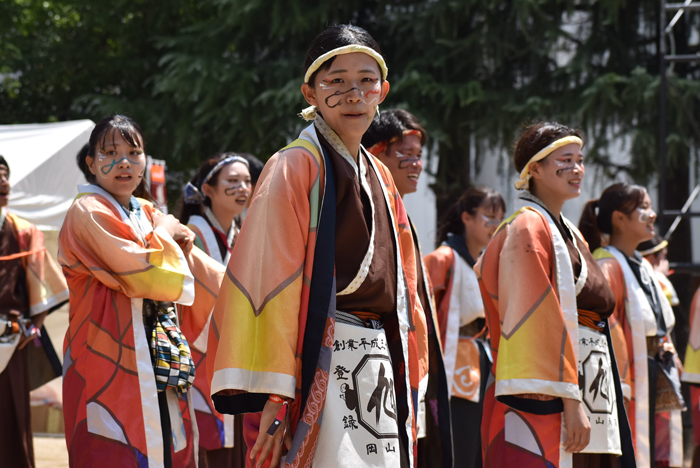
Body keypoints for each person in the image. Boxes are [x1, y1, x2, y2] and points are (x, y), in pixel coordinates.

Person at [205, 25, 429, 468]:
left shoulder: (382, 180)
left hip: (378, 357)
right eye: (336, 81)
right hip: (319, 359)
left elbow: (406, 289)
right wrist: (276, 390)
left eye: (366, 80)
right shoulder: (293, 166)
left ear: (382, 91)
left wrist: (413, 366)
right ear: (309, 92)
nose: (354, 93)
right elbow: (270, 283)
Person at [59, 115, 225, 467]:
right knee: (113, 447)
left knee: (167, 446)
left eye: (134, 152)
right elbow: (139, 272)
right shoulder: (86, 211)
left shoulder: (146, 210)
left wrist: (243, 291)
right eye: (109, 152)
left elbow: (194, 265)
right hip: (106, 356)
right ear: (91, 163)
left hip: (159, 354)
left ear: (145, 160)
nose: (123, 162)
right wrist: (165, 231)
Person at [475, 122, 634, 468]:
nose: (577, 169)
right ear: (535, 168)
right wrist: (569, 398)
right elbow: (534, 322)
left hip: (588, 379)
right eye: (566, 160)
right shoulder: (527, 226)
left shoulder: (570, 232)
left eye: (580, 160)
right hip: (551, 391)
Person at [363, 109, 453, 468]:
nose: (416, 164)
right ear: (376, 152)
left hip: (409, 355)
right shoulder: (364, 204)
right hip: (374, 353)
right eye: (405, 154)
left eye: (419, 156)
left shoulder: (398, 210)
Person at [580, 183, 684, 468]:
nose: (652, 215)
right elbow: (604, 329)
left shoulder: (641, 263)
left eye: (650, 207)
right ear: (619, 218)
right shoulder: (607, 265)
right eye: (644, 208)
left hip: (651, 368)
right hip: (625, 376)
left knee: (650, 450)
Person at [177, 153, 253, 467]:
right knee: (206, 440)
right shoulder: (189, 238)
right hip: (199, 353)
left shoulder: (239, 233)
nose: (243, 189)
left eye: (247, 182)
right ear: (207, 189)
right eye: (232, 182)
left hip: (232, 354)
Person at [423, 186, 505, 468]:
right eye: (489, 217)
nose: (495, 226)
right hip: (452, 364)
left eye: (499, 219)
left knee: (478, 448)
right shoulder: (442, 259)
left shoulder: (485, 264)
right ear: (467, 217)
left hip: (481, 361)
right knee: (458, 444)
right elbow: (424, 317)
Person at [0, 155, 69, 468]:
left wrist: (34, 327)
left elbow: (45, 291)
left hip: (9, 340)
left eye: (5, 176)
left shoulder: (23, 230)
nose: (3, 183)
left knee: (12, 418)